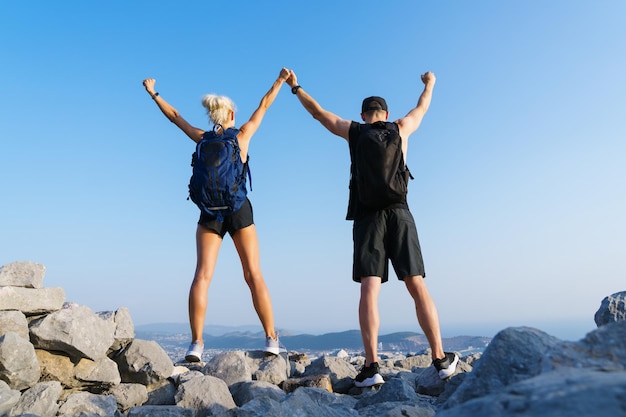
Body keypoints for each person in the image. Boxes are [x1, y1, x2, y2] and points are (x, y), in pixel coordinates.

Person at [285, 70, 458, 387]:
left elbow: (318, 113)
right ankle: (440, 359)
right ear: (387, 114)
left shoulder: (354, 131)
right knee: (416, 284)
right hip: (400, 213)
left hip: (368, 217)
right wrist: (430, 84)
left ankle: (371, 366)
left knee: (369, 288)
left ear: (363, 115)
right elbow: (423, 107)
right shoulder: (401, 128)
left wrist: (295, 87)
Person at [142, 69, 289, 362]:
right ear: (232, 115)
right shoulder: (243, 136)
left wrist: (153, 92)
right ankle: (272, 338)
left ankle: (196, 343)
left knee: (202, 276)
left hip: (209, 212)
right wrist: (280, 81)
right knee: (253, 274)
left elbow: (174, 116)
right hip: (238, 209)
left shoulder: (201, 138)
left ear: (212, 116)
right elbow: (264, 105)